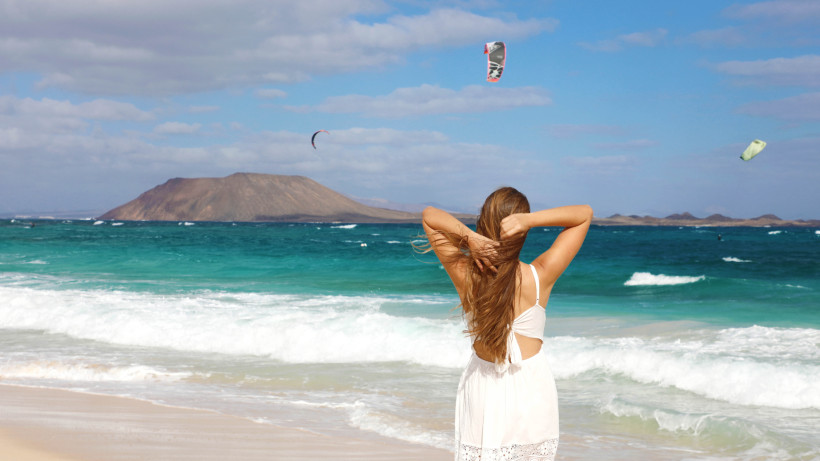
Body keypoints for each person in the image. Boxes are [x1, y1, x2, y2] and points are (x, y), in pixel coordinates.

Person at [419, 187, 592, 461]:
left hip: (483, 386)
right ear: (522, 232)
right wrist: (528, 220)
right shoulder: (539, 277)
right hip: (532, 387)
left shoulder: (467, 276)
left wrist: (471, 238)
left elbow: (429, 216)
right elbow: (584, 215)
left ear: (481, 222)